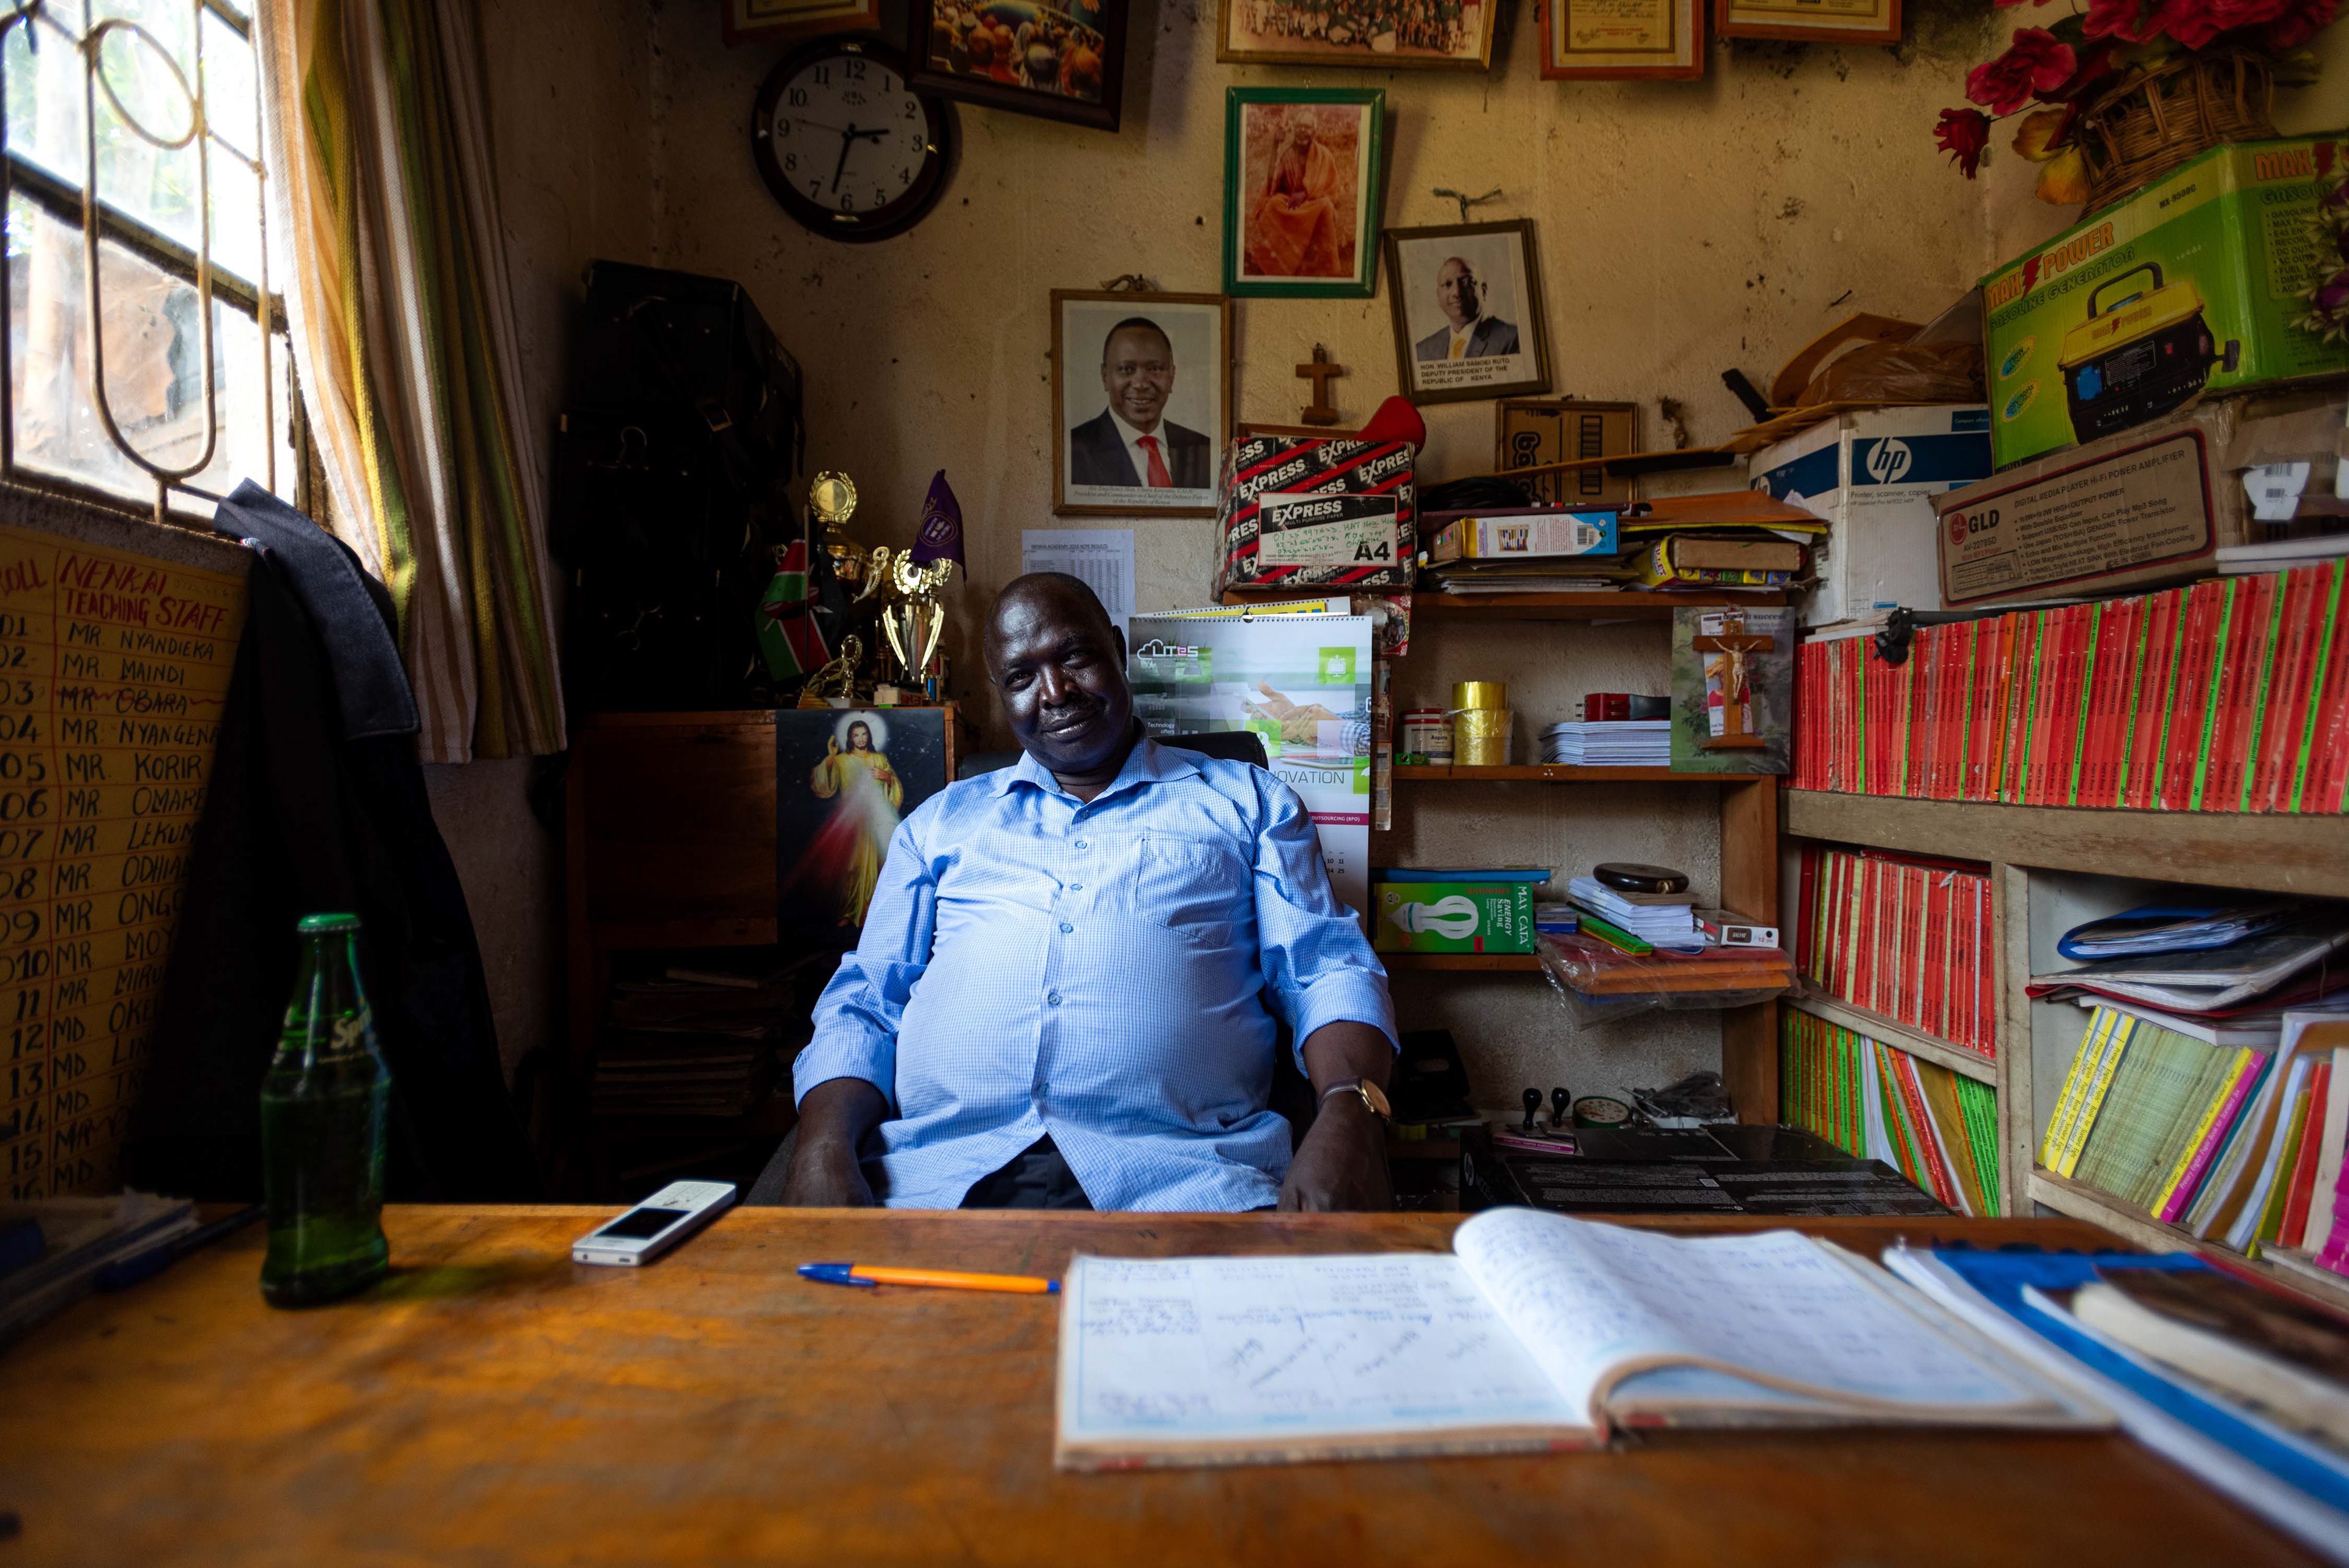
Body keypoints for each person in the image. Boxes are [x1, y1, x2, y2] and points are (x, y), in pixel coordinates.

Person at [774, 573, 1397, 1212]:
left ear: (1119, 652)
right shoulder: (937, 825)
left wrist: (1352, 1108)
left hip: (1184, 1187)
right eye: (1021, 677)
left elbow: (1327, 969)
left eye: (1074, 656)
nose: (1055, 692)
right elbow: (868, 1000)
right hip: (938, 1186)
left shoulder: (1249, 803)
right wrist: (821, 1145)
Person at [786, 713, 904, 929]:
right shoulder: (841, 760)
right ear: (850, 738)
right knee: (851, 867)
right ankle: (848, 912)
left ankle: (871, 912)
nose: (861, 739)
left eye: (864, 734)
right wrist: (831, 757)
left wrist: (887, 778)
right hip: (851, 821)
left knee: (876, 867)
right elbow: (823, 786)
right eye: (856, 735)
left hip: (876, 822)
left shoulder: (879, 759)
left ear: (869, 736)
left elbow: (893, 788)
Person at [1067, 318, 1211, 489]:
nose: (1141, 384)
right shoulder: (1074, 450)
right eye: (1127, 369)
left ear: (1172, 376)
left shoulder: (1204, 450)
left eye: (1155, 369)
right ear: (1105, 377)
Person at [1245, 111, 1346, 279]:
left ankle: (1327, 268)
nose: (1302, 131)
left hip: (1314, 202)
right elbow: (1272, 184)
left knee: (1327, 207)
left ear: (1314, 131)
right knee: (1273, 203)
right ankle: (1274, 263)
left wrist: (1306, 192)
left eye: (1307, 127)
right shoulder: (1288, 154)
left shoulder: (1324, 155)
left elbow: (1332, 187)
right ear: (1294, 129)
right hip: (1291, 202)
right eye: (1299, 127)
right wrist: (1275, 147)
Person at [1413, 255, 1520, 361]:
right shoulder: (1422, 350)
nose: (1457, 292)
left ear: (1484, 291)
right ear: (1438, 296)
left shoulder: (1513, 339)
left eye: (1467, 282)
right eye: (1448, 284)